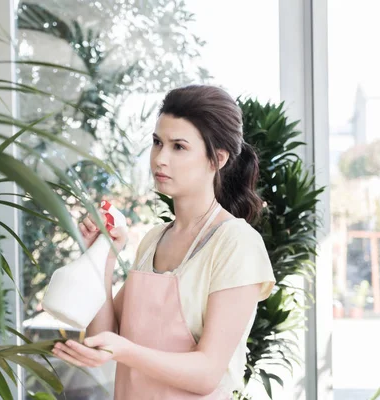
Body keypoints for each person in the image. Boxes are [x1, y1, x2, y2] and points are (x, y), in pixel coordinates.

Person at [51, 85, 276, 399]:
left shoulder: (236, 243)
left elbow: (207, 374)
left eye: (179, 147)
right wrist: (103, 254)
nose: (160, 158)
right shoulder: (154, 239)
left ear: (218, 159)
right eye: (157, 143)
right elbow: (106, 337)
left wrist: (126, 352)